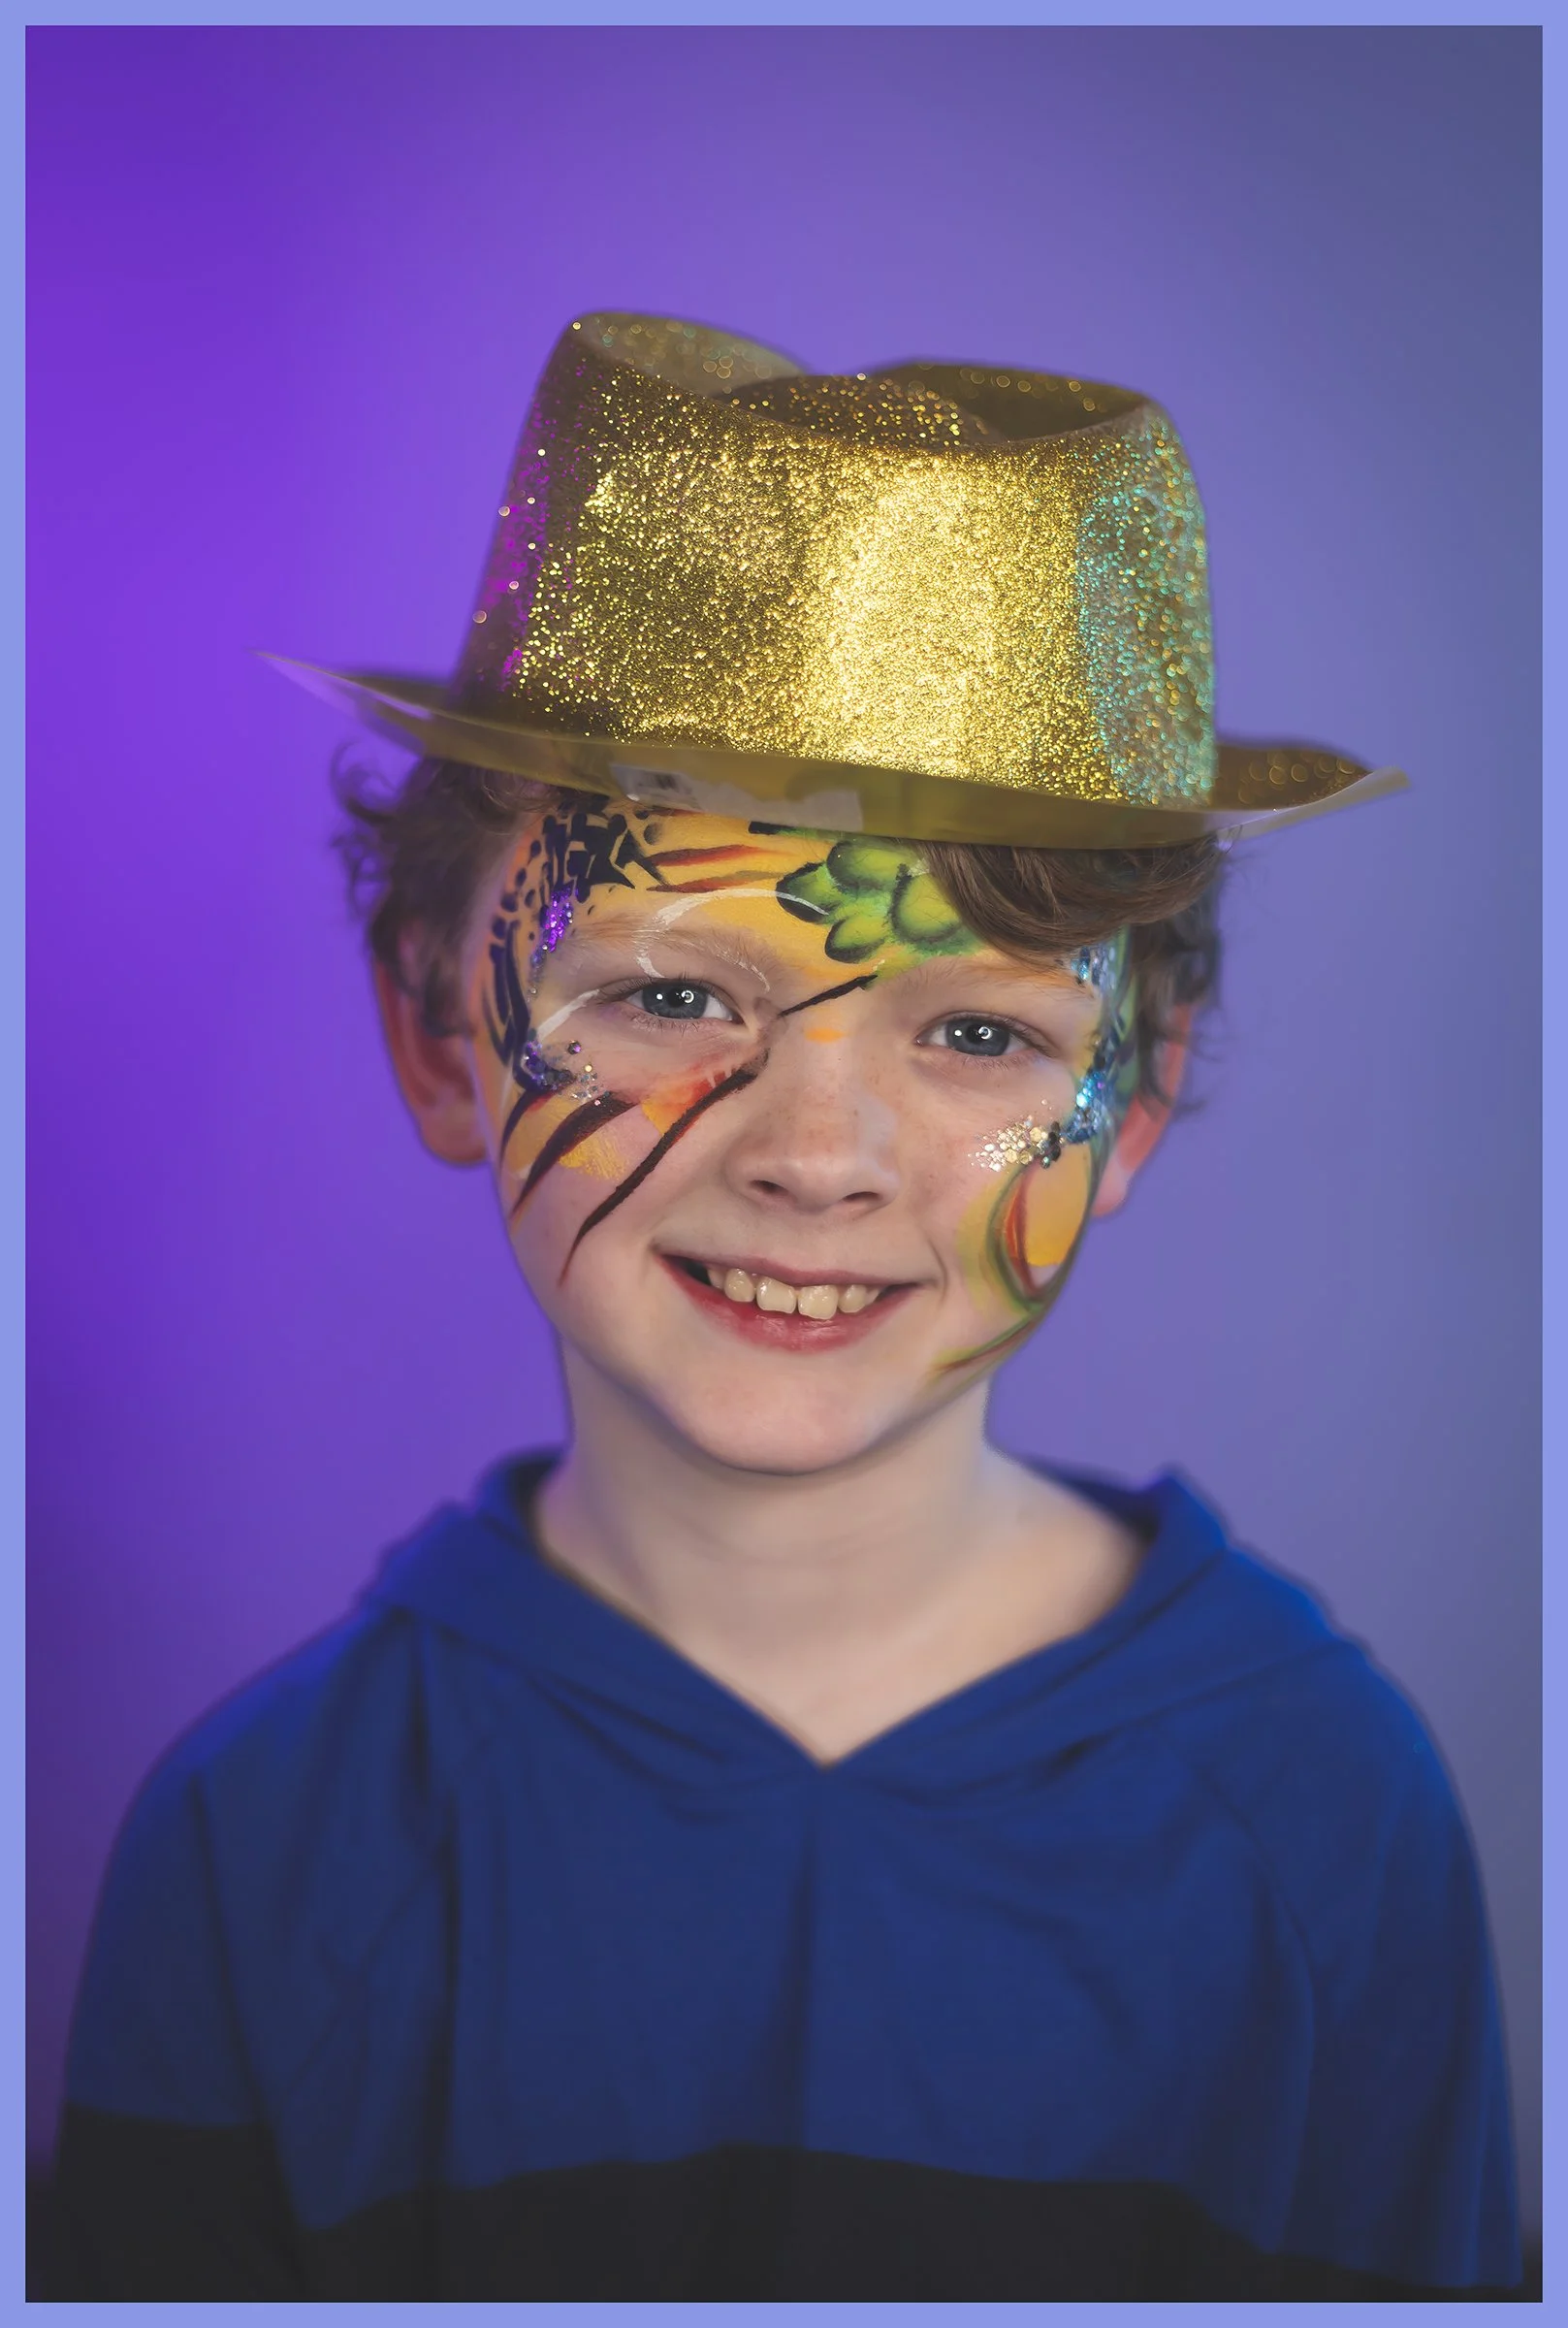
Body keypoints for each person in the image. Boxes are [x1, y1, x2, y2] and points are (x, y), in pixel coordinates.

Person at [52, 313, 1520, 2298]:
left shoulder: (1320, 1815)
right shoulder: (269, 1846)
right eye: (668, 996)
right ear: (433, 1034)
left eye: (983, 1033)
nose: (815, 1153)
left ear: (1135, 1109)